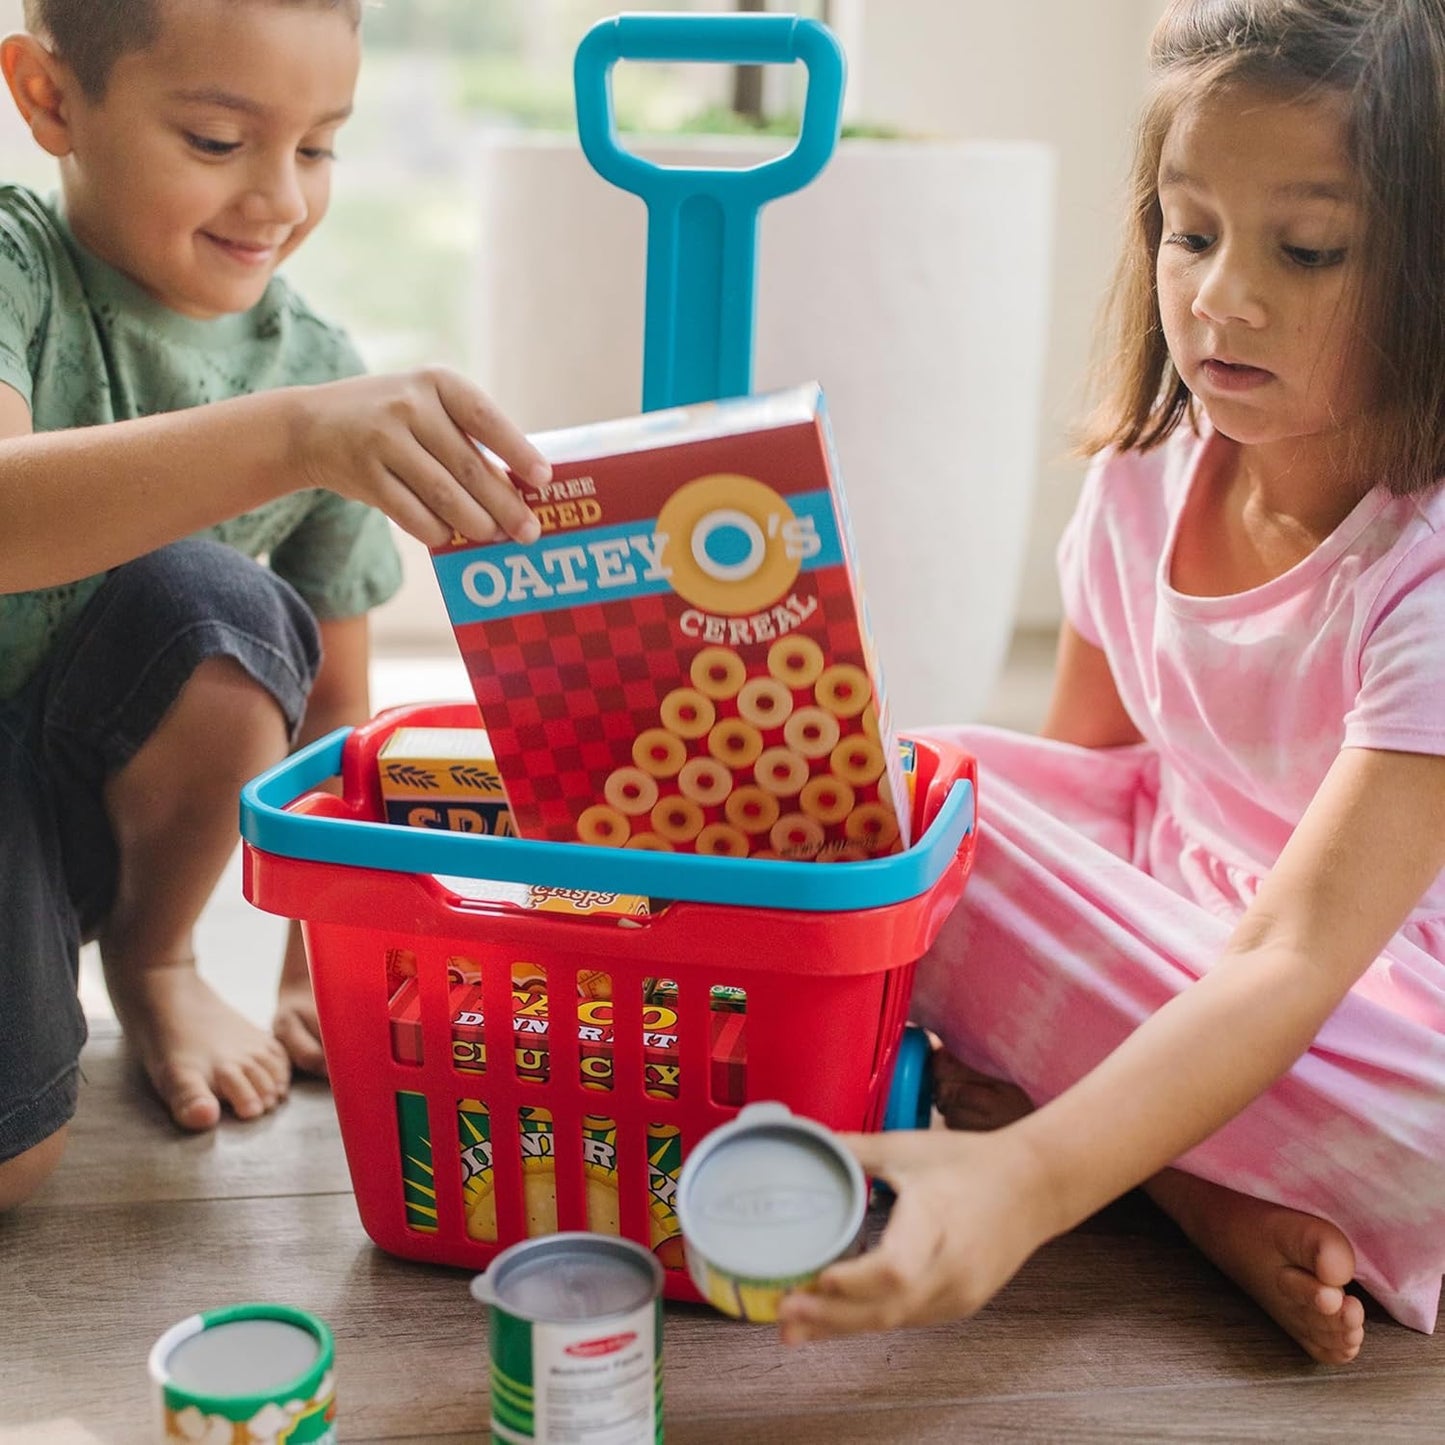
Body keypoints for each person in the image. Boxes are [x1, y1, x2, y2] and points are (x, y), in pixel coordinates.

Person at [778, 0, 1445, 1366]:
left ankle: (1093, 1150)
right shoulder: (1144, 475)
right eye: (1189, 232)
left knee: (924, 841)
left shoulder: (1423, 574)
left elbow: (1297, 957)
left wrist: (1025, 1182)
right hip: (1177, 899)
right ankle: (1188, 1181)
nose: (1220, 297)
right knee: (909, 783)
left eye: (1305, 250)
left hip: (1375, 1022)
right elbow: (1077, 777)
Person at [0, 0, 550, 1208]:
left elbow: (337, 716)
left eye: (316, 148)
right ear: (48, 101)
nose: (280, 202)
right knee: (16, 1158)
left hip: (99, 796)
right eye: (214, 141)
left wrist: (323, 977)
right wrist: (296, 435)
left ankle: (155, 957)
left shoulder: (319, 370)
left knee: (219, 604)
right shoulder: (15, 263)